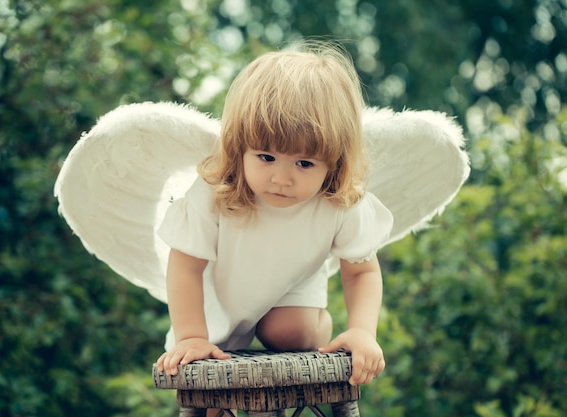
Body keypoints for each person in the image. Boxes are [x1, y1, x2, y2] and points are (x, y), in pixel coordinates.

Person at [155, 41, 394, 387]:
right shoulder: (215, 192)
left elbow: (361, 273)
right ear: (240, 147)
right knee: (210, 378)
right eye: (266, 157)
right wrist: (192, 335)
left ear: (334, 162)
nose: (282, 179)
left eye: (304, 163)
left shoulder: (339, 202)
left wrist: (361, 331)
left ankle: (316, 320)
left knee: (289, 334)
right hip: (222, 296)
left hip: (292, 286)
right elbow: (185, 266)